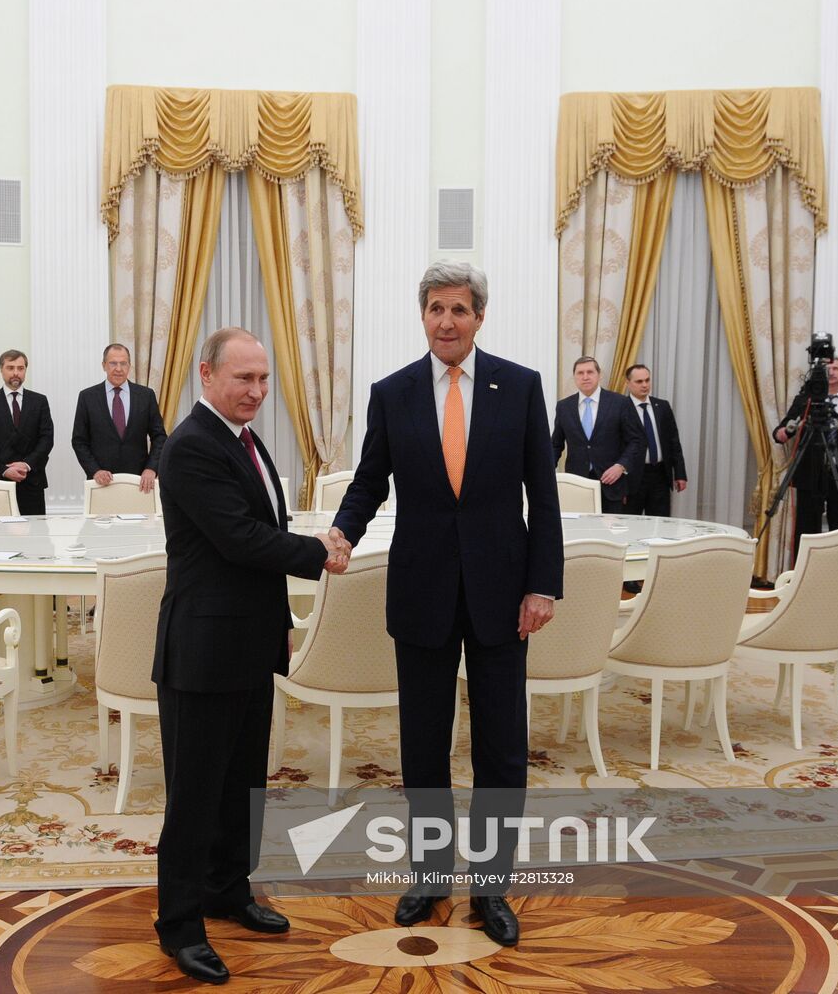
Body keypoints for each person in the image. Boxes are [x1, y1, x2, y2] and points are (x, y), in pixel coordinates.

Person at [330, 261, 564, 948]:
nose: (445, 321)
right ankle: (429, 876)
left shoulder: (518, 388)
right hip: (422, 592)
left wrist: (542, 584)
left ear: (479, 316)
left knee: (501, 752)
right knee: (423, 749)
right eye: (434, 308)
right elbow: (370, 480)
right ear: (422, 314)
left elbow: (540, 498)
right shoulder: (392, 393)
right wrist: (341, 534)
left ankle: (491, 889)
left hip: (502, 596)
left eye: (458, 309)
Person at [153, 327, 348, 985]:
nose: (256, 392)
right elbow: (240, 541)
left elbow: (260, 531)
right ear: (206, 375)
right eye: (244, 379)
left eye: (263, 380)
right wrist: (320, 550)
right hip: (202, 650)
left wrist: (277, 621)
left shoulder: (244, 439)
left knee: (242, 786)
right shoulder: (189, 448)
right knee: (194, 796)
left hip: (246, 640)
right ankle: (178, 926)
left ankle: (227, 892)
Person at [773, 356, 838, 559]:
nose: (831, 371)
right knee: (806, 530)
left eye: (836, 368)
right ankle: (803, 578)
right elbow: (779, 433)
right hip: (809, 475)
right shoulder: (804, 401)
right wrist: (789, 429)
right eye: (827, 368)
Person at [551, 356, 644, 514]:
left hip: (611, 483)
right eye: (580, 373)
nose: (585, 377)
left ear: (599, 375)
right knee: (581, 533)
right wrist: (543, 472)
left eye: (590, 372)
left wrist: (621, 466)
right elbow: (556, 445)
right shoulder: (564, 407)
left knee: (611, 534)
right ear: (574, 377)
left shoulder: (620, 403)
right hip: (577, 484)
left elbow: (636, 440)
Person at [71, 343, 167, 494]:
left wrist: (151, 468)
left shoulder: (146, 396)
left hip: (139, 482)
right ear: (104, 365)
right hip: (101, 484)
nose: (118, 369)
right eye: (113, 363)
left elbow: (160, 437)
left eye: (123, 363)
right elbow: (79, 440)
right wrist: (95, 471)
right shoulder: (87, 397)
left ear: (129, 366)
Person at [0, 349, 54, 515]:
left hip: (31, 481)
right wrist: (4, 469)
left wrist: (26, 464)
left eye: (20, 368)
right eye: (10, 368)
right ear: (1, 370)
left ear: (25, 370)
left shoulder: (39, 401)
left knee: (34, 536)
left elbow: (46, 439)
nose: (16, 373)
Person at [623, 364, 688, 517]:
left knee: (661, 523)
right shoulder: (621, 408)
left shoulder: (662, 406)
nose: (645, 385)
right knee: (631, 524)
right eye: (639, 381)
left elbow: (673, 441)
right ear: (628, 383)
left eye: (647, 380)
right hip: (633, 476)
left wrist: (680, 473)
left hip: (660, 475)